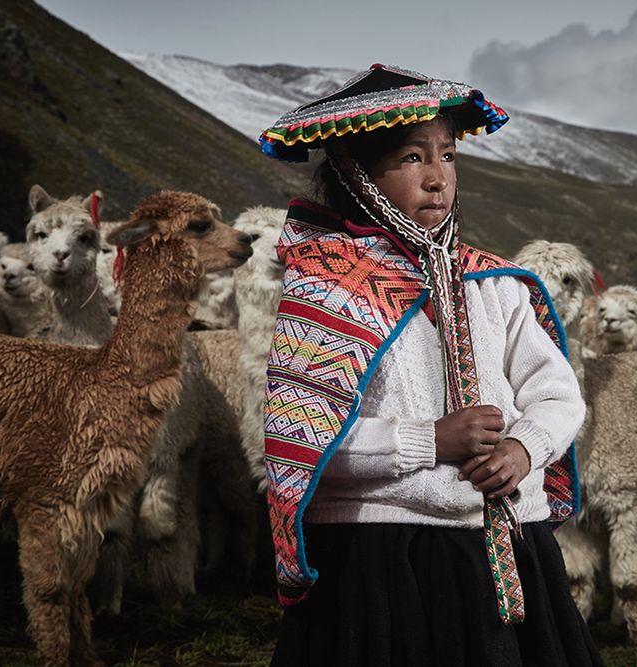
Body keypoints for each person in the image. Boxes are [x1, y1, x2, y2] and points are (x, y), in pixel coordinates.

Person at [259, 64, 604, 667]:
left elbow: (557, 393)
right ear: (357, 174)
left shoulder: (493, 284)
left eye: (447, 156)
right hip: (380, 563)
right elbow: (302, 445)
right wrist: (429, 441)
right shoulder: (327, 291)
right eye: (411, 158)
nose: (437, 177)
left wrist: (523, 449)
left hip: (506, 547)